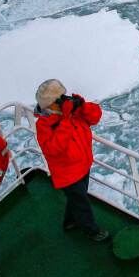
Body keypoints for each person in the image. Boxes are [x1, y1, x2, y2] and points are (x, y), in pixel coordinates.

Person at [34, 79, 109, 242]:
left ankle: (69, 222)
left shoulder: (72, 112)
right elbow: (54, 149)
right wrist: (66, 120)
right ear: (49, 105)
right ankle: (92, 231)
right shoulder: (44, 125)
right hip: (67, 173)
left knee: (76, 199)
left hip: (83, 165)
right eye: (59, 100)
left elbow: (95, 117)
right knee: (81, 203)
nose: (63, 101)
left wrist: (83, 106)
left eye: (64, 96)